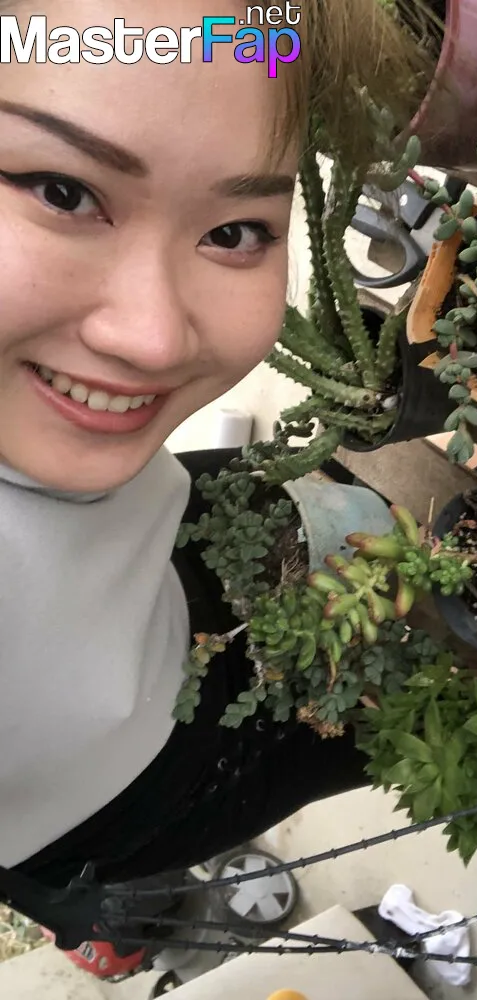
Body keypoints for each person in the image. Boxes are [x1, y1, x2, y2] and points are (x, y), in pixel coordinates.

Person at [0, 0, 429, 899]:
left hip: (152, 550)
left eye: (235, 231)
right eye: (62, 191)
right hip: (142, 784)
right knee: (416, 712)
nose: (154, 340)